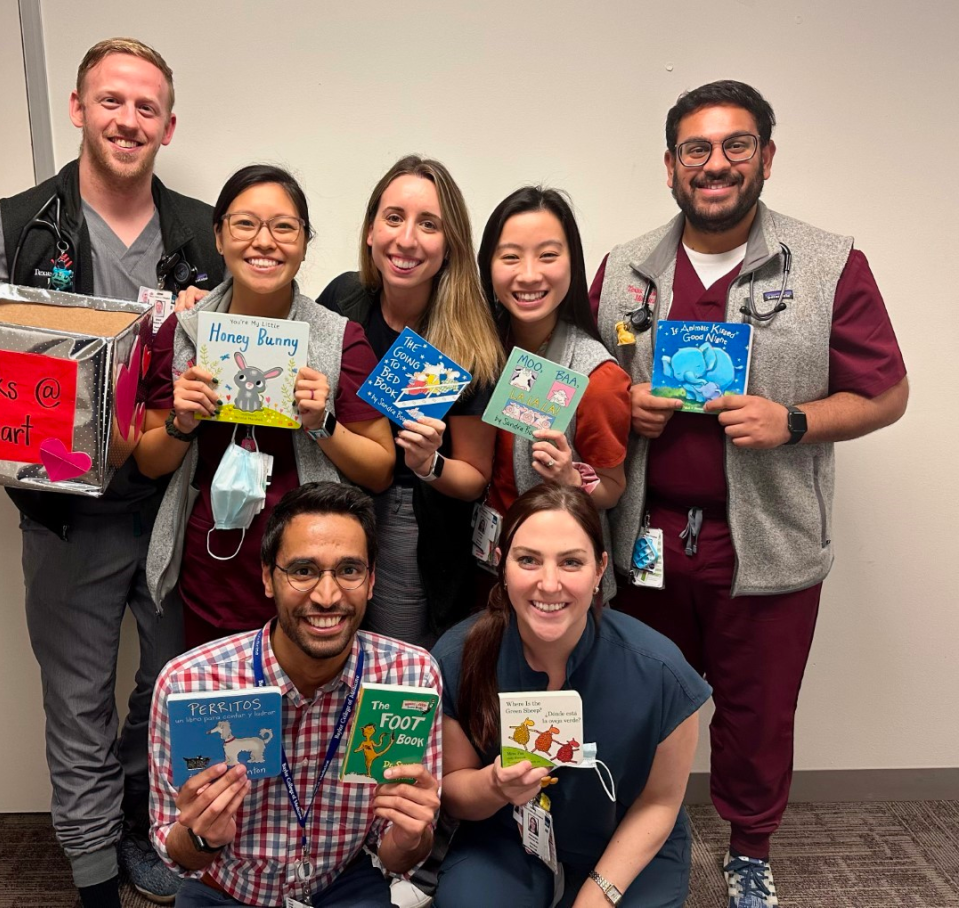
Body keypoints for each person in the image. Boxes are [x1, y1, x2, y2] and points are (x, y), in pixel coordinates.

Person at [590, 80, 909, 907]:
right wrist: (629, 402)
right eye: (697, 149)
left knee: (757, 714)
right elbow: (586, 385)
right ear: (670, 166)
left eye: (737, 146)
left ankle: (751, 853)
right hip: (646, 541)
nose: (716, 164)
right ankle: (626, 835)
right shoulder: (624, 268)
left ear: (767, 156)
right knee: (636, 702)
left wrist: (792, 421)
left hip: (765, 540)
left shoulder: (829, 261)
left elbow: (886, 394)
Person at [0, 38, 223, 907]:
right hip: (67, 516)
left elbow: (234, 364)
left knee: (172, 684)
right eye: (111, 101)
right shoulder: (17, 223)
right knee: (75, 699)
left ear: (168, 125)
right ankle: (92, 872)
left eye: (147, 108)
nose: (128, 120)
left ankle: (141, 821)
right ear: (78, 109)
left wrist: (208, 319)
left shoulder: (201, 231)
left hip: (173, 505)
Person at [136, 165, 395, 649]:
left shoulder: (340, 339)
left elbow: (381, 469)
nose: (264, 242)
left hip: (314, 573)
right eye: (245, 224)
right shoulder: (184, 333)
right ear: (218, 236)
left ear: (303, 241)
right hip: (213, 563)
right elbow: (150, 463)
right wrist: (181, 422)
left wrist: (323, 425)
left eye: (283, 227)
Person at [148, 482, 443, 907]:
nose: (327, 596)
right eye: (303, 571)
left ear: (372, 580)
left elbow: (397, 856)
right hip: (227, 888)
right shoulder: (189, 683)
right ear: (268, 577)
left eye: (349, 570)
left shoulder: (408, 676)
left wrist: (413, 834)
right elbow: (176, 854)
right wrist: (201, 835)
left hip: (341, 881)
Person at [432, 484, 709, 908]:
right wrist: (495, 785)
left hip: (625, 840)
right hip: (509, 835)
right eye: (528, 560)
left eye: (571, 562)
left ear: (600, 570)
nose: (549, 583)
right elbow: (452, 792)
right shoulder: (458, 657)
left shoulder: (661, 673)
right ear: (502, 564)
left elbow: (659, 803)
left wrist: (597, 896)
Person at [318, 155, 505, 647]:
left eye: (429, 224)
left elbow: (474, 477)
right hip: (328, 496)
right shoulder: (342, 299)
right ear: (370, 232)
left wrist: (430, 465)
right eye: (394, 218)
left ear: (451, 246)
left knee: (392, 659)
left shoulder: (470, 341)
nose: (406, 240)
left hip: (407, 514)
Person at [477, 187, 631, 600]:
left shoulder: (597, 378)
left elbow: (613, 488)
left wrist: (571, 480)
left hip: (556, 587)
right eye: (510, 257)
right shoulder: (481, 350)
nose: (529, 275)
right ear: (488, 266)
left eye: (547, 255)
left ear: (573, 264)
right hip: (486, 563)